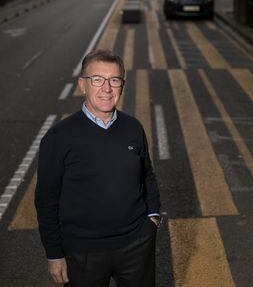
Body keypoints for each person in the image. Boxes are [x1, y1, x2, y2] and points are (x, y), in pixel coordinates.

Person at [35, 49, 161, 287]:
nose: (107, 88)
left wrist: (152, 217)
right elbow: (46, 200)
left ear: (122, 85)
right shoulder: (58, 137)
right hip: (82, 253)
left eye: (114, 80)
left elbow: (147, 174)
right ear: (83, 85)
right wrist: (54, 254)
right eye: (97, 80)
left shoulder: (133, 128)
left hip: (136, 245)